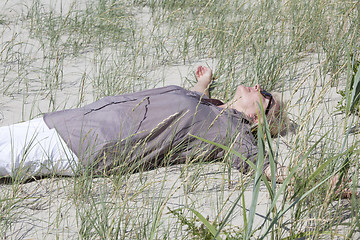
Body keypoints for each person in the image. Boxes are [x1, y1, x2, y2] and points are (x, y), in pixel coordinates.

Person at [0, 66, 288, 181]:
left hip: (84, 145)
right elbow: (195, 109)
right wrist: (204, 83)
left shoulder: (229, 130)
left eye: (265, 96)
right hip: (73, 120)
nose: (258, 86)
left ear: (256, 118)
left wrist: (311, 180)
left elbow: (259, 164)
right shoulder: (213, 109)